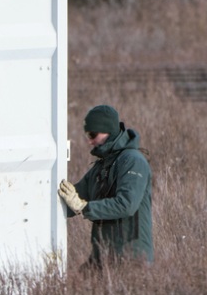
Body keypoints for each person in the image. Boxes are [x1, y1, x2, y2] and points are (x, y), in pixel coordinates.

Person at [57, 105, 153, 269]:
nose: (89, 141)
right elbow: (72, 201)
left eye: (93, 134)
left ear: (108, 131)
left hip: (131, 260)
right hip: (103, 257)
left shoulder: (133, 161)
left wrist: (84, 207)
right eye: (87, 134)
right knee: (78, 287)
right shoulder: (100, 167)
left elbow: (126, 205)